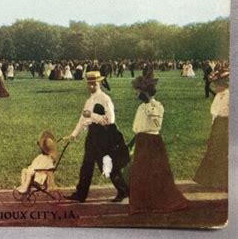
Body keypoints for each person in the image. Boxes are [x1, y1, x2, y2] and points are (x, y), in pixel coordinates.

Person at [64, 71, 129, 203]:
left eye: (94, 84)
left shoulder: (105, 99)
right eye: (89, 84)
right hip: (92, 134)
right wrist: (73, 135)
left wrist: (92, 115)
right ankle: (81, 194)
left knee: (106, 164)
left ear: (99, 83)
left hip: (104, 135)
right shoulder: (88, 101)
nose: (91, 86)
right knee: (86, 165)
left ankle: (123, 190)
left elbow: (110, 120)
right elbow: (82, 119)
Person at [129, 74, 188, 214]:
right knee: (139, 172)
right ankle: (142, 204)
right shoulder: (141, 107)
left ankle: (160, 201)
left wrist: (149, 104)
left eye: (139, 91)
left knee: (155, 173)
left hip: (152, 142)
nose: (137, 94)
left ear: (146, 92)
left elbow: (156, 124)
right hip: (142, 140)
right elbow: (138, 127)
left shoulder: (157, 106)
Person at [193, 69, 229, 191]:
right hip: (218, 124)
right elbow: (214, 111)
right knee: (213, 150)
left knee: (223, 152)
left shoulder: (229, 95)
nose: (215, 87)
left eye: (217, 85)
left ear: (223, 84)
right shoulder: (218, 96)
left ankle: (223, 180)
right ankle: (211, 179)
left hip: (226, 125)